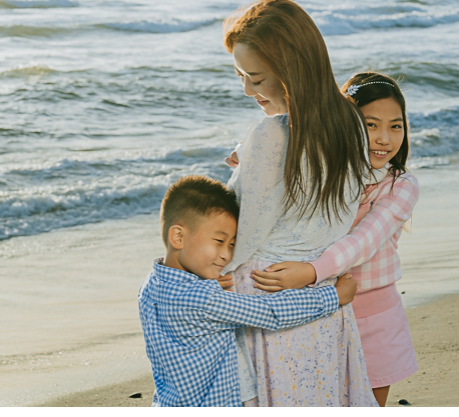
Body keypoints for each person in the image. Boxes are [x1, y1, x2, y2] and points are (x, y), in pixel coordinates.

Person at [220, 0, 378, 407]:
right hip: (320, 300)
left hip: (265, 295)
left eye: (255, 77)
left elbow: (242, 234)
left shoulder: (273, 135)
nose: (247, 90)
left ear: (291, 70)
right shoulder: (350, 124)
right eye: (240, 76)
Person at [250, 72, 419, 407]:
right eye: (371, 125)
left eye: (395, 125)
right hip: (322, 312)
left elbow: (364, 240)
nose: (385, 138)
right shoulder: (325, 171)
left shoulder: (402, 185)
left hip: (375, 318)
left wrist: (311, 271)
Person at [138, 174, 358, 407]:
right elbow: (269, 311)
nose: (226, 255)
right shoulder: (203, 298)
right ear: (178, 236)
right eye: (218, 241)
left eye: (232, 244)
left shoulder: (150, 286)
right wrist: (333, 296)